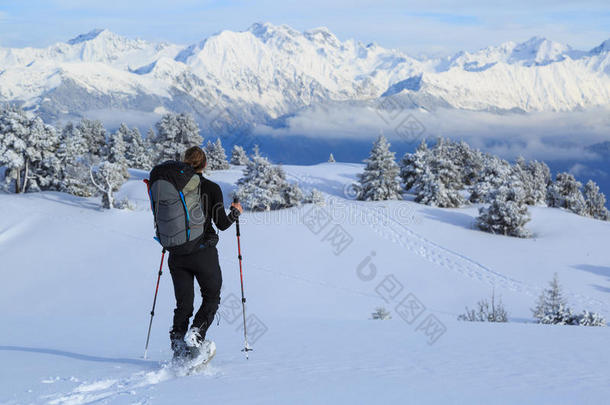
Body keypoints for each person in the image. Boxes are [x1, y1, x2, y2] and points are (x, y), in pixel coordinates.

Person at [168, 145, 243, 358]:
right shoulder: (211, 187)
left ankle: (177, 345)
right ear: (205, 164)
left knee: (183, 304)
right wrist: (235, 213)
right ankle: (196, 334)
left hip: (176, 253)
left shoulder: (173, 187)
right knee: (211, 296)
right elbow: (222, 223)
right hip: (203, 253)